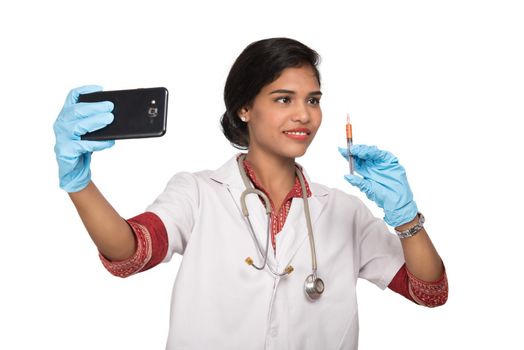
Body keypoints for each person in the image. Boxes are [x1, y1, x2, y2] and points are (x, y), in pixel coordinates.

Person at [53, 37, 448, 349]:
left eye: (313, 100)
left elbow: (429, 291)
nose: (304, 115)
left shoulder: (344, 211)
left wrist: (406, 219)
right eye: (283, 99)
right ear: (245, 108)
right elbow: (130, 253)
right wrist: (79, 183)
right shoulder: (197, 192)